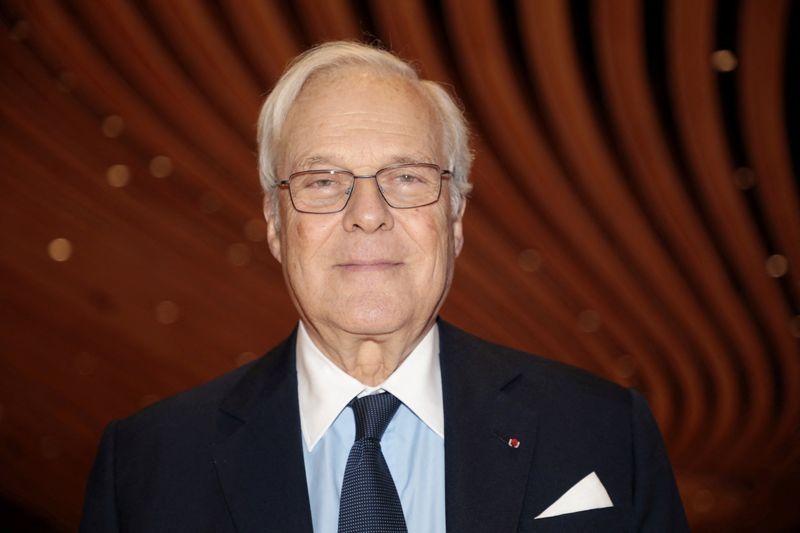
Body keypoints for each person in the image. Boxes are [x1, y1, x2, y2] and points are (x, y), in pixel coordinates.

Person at [80, 41, 689, 532]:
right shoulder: (146, 467)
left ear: (453, 220)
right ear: (274, 225)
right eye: (322, 181)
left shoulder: (604, 431)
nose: (367, 213)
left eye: (405, 176)